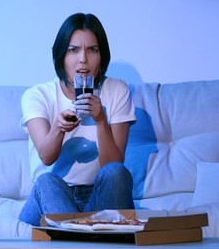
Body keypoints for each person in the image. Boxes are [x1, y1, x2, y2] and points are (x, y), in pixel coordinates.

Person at [18, 13, 136, 226]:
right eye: (73, 50)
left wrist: (101, 120)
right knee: (46, 182)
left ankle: (77, 237)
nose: (83, 59)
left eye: (93, 50)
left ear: (102, 58)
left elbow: (113, 165)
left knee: (117, 173)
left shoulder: (117, 90)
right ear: (61, 56)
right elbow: (46, 157)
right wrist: (58, 128)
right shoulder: (37, 95)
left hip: (99, 198)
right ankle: (81, 237)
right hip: (52, 199)